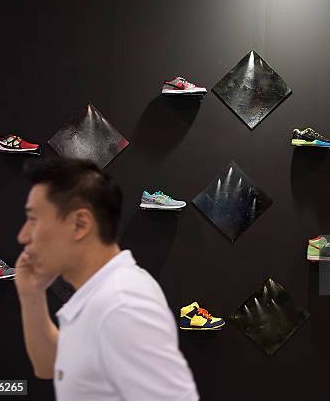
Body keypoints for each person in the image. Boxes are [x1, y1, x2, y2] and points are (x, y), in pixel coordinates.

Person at [15, 157, 198, 401]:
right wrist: (31, 294)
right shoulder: (101, 296)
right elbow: (50, 366)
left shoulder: (122, 304)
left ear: (80, 225)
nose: (23, 236)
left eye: (34, 219)